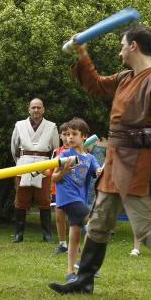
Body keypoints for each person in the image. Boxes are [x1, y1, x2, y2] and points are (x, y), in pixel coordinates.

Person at [48, 24, 151, 300]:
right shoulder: (125, 78)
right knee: (98, 221)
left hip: (139, 163)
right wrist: (82, 54)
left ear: (134, 46)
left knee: (147, 227)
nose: (120, 49)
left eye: (122, 44)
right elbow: (95, 85)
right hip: (114, 161)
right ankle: (84, 279)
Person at [50, 118, 101, 281]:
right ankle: (85, 261)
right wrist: (64, 170)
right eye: (68, 134)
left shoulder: (90, 158)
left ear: (84, 136)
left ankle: (70, 272)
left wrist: (100, 172)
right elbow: (54, 178)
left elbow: (96, 173)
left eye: (74, 134)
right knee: (94, 223)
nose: (69, 138)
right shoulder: (65, 154)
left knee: (75, 234)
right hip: (67, 198)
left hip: (81, 198)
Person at [10, 98, 59, 243]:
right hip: (23, 165)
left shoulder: (52, 127)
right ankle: (19, 234)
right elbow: (14, 148)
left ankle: (47, 234)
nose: (36, 110)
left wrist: (49, 167)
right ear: (29, 109)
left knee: (44, 200)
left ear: (43, 109)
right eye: (33, 107)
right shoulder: (19, 125)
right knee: (21, 200)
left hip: (43, 166)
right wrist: (20, 163)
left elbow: (55, 151)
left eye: (39, 107)